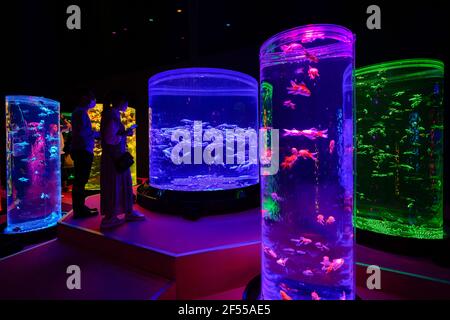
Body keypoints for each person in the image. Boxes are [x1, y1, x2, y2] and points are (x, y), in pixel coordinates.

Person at [100, 93, 144, 229]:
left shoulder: (113, 114)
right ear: (121, 102)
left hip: (116, 156)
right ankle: (110, 218)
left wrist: (125, 133)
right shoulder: (111, 115)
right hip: (114, 157)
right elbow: (110, 138)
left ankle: (128, 212)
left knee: (124, 183)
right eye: (126, 103)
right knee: (113, 185)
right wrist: (127, 133)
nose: (126, 106)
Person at [71, 90, 99, 219]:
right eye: (93, 99)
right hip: (82, 150)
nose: (94, 101)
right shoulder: (80, 113)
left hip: (80, 150)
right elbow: (82, 134)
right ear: (86, 99)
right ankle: (79, 210)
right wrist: (96, 134)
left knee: (80, 180)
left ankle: (80, 207)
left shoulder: (79, 112)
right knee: (80, 180)